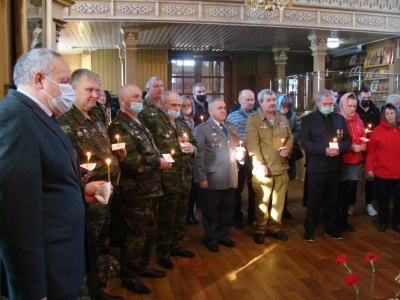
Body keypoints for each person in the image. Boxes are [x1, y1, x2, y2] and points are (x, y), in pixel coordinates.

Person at [0, 48, 107, 300]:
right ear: (39, 80)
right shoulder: (15, 117)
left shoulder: (41, 115)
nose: (68, 89)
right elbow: (16, 216)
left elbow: (45, 182)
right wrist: (33, 291)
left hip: (61, 260)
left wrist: (82, 192)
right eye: (63, 82)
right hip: (45, 272)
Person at [58, 69, 124, 300]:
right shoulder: (64, 121)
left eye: (98, 90)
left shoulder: (95, 119)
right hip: (84, 198)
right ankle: (88, 292)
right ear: (72, 89)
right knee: (87, 247)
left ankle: (98, 289)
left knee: (100, 242)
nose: (95, 95)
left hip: (104, 195)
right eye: (89, 90)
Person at [108, 84, 170, 295]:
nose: (140, 100)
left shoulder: (137, 121)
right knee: (134, 234)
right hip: (135, 191)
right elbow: (127, 160)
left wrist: (161, 158)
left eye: (140, 97)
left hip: (151, 188)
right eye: (134, 97)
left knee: (149, 231)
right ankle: (130, 275)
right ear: (123, 101)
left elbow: (149, 150)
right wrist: (157, 163)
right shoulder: (119, 126)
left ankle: (143, 266)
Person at [142, 90, 197, 269]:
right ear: (164, 105)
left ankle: (176, 246)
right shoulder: (155, 123)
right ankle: (163, 252)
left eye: (179, 105)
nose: (177, 108)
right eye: (173, 105)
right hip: (166, 179)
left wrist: (192, 148)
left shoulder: (183, 124)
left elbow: (195, 143)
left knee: (181, 217)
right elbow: (149, 147)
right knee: (166, 218)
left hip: (184, 176)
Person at [300, 89, 351, 242]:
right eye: (325, 104)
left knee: (332, 199)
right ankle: (310, 228)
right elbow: (305, 143)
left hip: (335, 165)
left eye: (331, 104)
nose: (328, 106)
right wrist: (324, 150)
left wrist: (339, 149)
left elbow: (347, 140)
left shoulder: (339, 119)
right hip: (317, 165)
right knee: (314, 199)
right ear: (318, 103)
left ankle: (330, 227)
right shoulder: (309, 119)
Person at [192, 98, 240, 252]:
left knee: (228, 209)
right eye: (219, 108)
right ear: (210, 111)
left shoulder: (232, 127)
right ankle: (211, 237)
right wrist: (201, 178)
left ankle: (223, 235)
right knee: (211, 211)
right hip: (212, 177)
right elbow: (198, 157)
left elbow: (238, 148)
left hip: (231, 175)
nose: (223, 110)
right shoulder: (202, 129)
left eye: (225, 107)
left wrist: (242, 156)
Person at [246, 89, 293, 244]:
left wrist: (288, 148)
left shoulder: (282, 117)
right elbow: (252, 144)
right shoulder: (254, 119)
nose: (273, 102)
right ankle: (260, 229)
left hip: (281, 166)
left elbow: (290, 137)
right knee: (263, 200)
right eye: (269, 100)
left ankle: (274, 228)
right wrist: (260, 164)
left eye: (274, 99)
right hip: (263, 168)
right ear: (261, 102)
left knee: (278, 200)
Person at [366, 102, 400, 233]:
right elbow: (371, 152)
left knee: (398, 200)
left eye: (392, 113)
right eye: (387, 114)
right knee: (383, 199)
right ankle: (383, 221)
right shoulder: (377, 131)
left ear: (396, 114)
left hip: (398, 171)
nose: (390, 116)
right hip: (382, 171)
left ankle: (397, 222)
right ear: (383, 115)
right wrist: (369, 168)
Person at [226, 89, 256, 229]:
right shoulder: (232, 117)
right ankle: (236, 216)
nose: (250, 102)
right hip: (238, 156)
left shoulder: (257, 116)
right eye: (247, 100)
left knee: (254, 187)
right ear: (240, 100)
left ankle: (252, 215)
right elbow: (228, 137)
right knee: (237, 188)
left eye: (252, 100)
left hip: (254, 156)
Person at [336, 92, 366, 233]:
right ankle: (336, 220)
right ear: (343, 105)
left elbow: (362, 136)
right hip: (342, 160)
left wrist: (363, 145)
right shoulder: (337, 119)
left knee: (350, 191)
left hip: (355, 161)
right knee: (339, 191)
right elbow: (335, 140)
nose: (353, 109)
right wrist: (350, 147)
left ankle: (344, 219)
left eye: (354, 106)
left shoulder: (359, 120)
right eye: (350, 106)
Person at [355, 86, 380, 216]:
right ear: (359, 97)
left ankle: (369, 203)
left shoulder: (375, 110)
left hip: (372, 147)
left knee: (370, 176)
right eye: (363, 98)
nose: (366, 100)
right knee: (353, 177)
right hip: (357, 147)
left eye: (368, 98)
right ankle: (351, 204)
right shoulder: (355, 110)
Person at [275, 94, 301, 220]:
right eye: (283, 106)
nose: (285, 109)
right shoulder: (272, 114)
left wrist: (290, 140)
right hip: (274, 152)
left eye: (287, 107)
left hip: (288, 151)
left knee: (286, 181)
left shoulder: (292, 116)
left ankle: (284, 208)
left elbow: (297, 130)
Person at [178, 95, 198, 225]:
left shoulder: (195, 121)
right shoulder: (177, 121)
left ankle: (191, 212)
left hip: (195, 157)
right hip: (182, 159)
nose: (186, 108)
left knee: (194, 188)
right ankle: (184, 214)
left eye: (188, 106)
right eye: (183, 106)